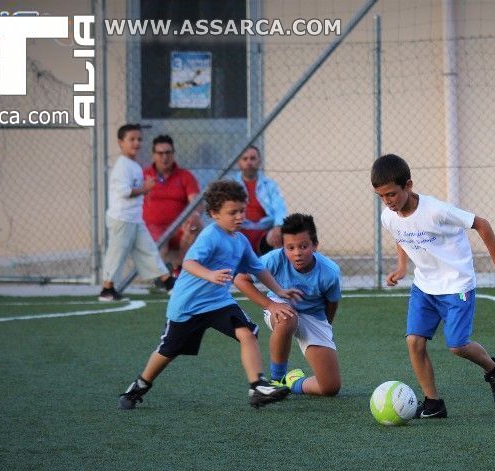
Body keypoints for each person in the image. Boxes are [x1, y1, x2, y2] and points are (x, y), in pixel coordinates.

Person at [117, 180, 303, 410]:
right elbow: (189, 263)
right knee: (168, 351)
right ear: (214, 214)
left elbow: (258, 269)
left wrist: (279, 290)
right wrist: (210, 275)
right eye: (232, 212)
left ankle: (257, 386)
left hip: (218, 303)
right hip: (188, 306)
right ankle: (140, 385)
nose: (239, 217)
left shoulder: (241, 240)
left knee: (247, 333)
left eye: (242, 211)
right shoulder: (210, 236)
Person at [371, 153, 495, 418]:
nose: (387, 201)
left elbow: (481, 224)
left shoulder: (436, 210)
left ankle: (494, 369)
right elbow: (401, 236)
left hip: (456, 284)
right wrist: (402, 267)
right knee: (414, 342)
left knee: (457, 345)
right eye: (381, 196)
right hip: (424, 286)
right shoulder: (388, 216)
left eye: (391, 194)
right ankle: (433, 403)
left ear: (409, 185)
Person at [234, 213, 343, 397]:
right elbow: (241, 279)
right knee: (287, 318)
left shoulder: (330, 272)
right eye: (290, 248)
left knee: (330, 387)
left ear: (315, 245)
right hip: (279, 304)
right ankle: (276, 380)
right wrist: (270, 304)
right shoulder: (274, 259)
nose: (297, 253)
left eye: (303, 246)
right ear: (283, 248)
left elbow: (331, 303)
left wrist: (325, 327)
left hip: (313, 316)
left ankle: (291, 382)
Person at [98, 124, 175, 301]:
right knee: (117, 253)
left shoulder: (133, 165)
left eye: (139, 139)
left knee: (148, 250)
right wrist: (145, 188)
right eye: (131, 139)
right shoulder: (122, 166)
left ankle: (168, 281)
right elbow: (125, 191)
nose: (136, 143)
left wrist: (144, 185)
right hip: (122, 218)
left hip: (134, 218)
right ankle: (107, 289)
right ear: (120, 143)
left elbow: (135, 187)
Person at [143, 135, 201, 275]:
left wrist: (195, 215)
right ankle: (160, 276)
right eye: (160, 153)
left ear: (173, 154)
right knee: (158, 239)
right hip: (152, 227)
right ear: (153, 155)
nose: (165, 157)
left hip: (179, 227)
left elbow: (196, 201)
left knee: (194, 225)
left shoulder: (185, 176)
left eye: (168, 153)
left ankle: (180, 269)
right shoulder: (143, 175)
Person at [231, 145, 287, 254]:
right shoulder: (231, 184)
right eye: (245, 159)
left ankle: (274, 269)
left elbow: (280, 209)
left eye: (253, 158)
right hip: (238, 231)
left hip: (264, 233)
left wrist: (278, 226)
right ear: (239, 162)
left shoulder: (270, 185)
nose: (249, 162)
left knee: (280, 234)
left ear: (259, 161)